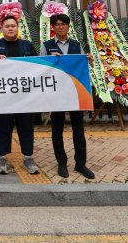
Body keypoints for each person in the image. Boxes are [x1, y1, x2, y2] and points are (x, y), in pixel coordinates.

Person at [42, 13, 95, 180]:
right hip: (57, 93)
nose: (60, 27)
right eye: (57, 24)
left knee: (78, 129)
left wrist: (88, 60)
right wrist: (49, 60)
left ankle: (81, 163)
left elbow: (82, 65)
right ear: (53, 27)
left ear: (68, 26)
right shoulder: (47, 45)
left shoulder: (76, 45)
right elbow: (41, 67)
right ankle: (62, 163)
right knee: (57, 129)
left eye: (63, 24)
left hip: (75, 93)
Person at [0, 15, 40, 175]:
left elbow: (39, 66)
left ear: (18, 28)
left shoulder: (27, 46)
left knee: (26, 128)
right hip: (3, 97)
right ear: (2, 28)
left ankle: (28, 158)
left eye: (13, 26)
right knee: (3, 128)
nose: (10, 28)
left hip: (25, 97)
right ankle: (2, 158)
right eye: (7, 26)